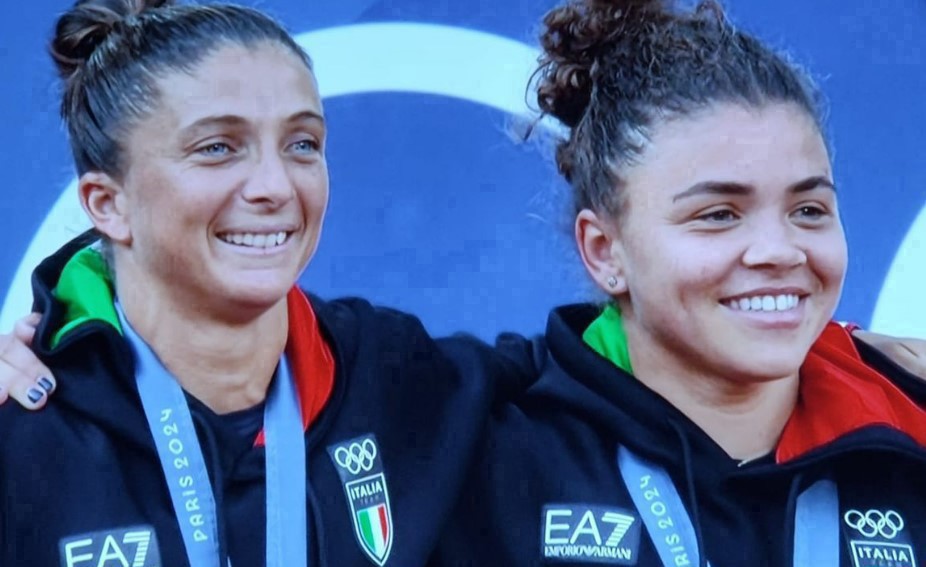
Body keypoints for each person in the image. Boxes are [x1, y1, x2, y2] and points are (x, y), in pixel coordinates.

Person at [1, 0, 925, 565]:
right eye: (717, 214)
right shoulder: (469, 425)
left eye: (304, 144)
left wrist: (864, 357)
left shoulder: (425, 392)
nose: (274, 184)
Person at [0, 1, 520, 566]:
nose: (275, 186)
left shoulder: (398, 378)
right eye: (218, 148)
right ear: (109, 203)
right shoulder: (24, 424)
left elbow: (586, 375)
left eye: (302, 144)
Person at [431, 0, 926, 565]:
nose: (779, 250)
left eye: (808, 210)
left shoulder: (908, 425)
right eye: (718, 215)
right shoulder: (484, 446)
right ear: (605, 250)